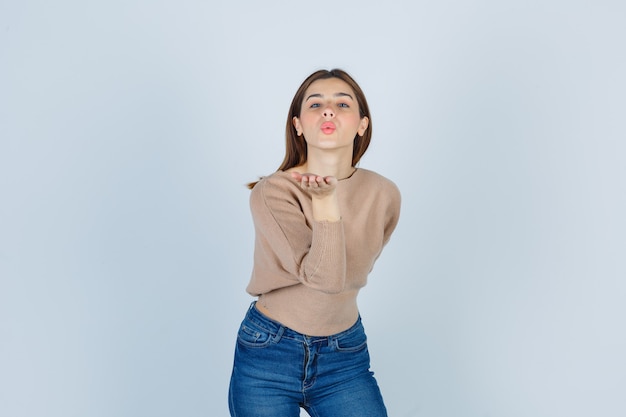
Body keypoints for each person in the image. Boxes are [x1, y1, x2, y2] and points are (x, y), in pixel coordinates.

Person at [228, 69, 401, 417]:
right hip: (269, 353)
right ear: (297, 125)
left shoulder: (384, 194)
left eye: (342, 103)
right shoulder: (273, 192)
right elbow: (324, 280)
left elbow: (353, 270)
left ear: (362, 124)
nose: (328, 111)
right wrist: (325, 203)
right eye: (316, 104)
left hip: (345, 354)